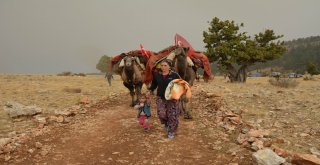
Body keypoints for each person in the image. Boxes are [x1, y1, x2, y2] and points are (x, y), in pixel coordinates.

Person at [147, 60, 180, 139]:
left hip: (172, 98)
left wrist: (176, 94)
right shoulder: (157, 75)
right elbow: (154, 84)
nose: (163, 67)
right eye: (162, 65)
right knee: (161, 113)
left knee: (172, 115)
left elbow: (179, 85)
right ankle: (166, 123)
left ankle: (171, 131)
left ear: (169, 66)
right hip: (160, 97)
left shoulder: (174, 75)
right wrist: (149, 91)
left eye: (165, 65)